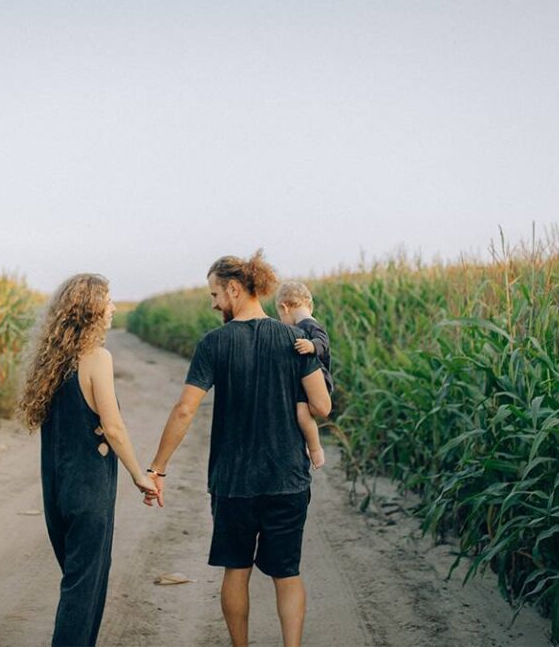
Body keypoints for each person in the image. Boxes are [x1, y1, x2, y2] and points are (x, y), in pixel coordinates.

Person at [146, 251, 331, 647]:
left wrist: (158, 467)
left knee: (236, 569)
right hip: (287, 478)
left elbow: (184, 410)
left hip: (233, 482)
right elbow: (322, 406)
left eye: (215, 294)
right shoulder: (296, 340)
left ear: (233, 288)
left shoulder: (214, 343)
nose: (213, 303)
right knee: (287, 573)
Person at [17, 273, 158, 647]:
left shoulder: (51, 363)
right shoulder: (97, 358)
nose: (113, 308)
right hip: (89, 490)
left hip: (56, 491)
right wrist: (138, 474)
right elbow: (112, 427)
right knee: (83, 593)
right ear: (92, 309)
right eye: (108, 301)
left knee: (77, 583)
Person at [275, 281, 334, 470]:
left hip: (320, 379)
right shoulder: (303, 325)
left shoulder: (309, 324)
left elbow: (323, 342)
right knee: (300, 412)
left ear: (285, 308)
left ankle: (315, 450)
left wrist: (312, 346)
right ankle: (310, 447)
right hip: (309, 377)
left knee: (302, 412)